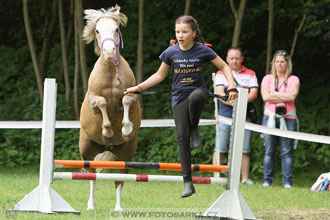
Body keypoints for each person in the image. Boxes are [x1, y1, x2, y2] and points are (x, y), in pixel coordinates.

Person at [124, 15, 238, 198]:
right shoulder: (171, 53)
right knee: (182, 138)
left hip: (198, 92)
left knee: (196, 97)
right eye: (178, 32)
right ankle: (187, 182)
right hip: (178, 98)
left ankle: (194, 124)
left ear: (194, 33)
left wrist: (231, 86)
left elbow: (224, 67)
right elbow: (159, 76)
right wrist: (137, 88)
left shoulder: (203, 51)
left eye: (184, 32)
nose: (180, 35)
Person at [212, 47, 258, 185]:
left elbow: (254, 93)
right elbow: (219, 92)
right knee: (220, 147)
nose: (234, 61)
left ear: (242, 59)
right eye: (231, 58)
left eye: (237, 58)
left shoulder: (250, 73)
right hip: (225, 115)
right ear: (226, 59)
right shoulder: (221, 73)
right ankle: (217, 177)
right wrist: (232, 103)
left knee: (244, 148)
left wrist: (241, 103)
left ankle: (244, 178)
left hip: (244, 116)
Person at [260, 50, 300, 188]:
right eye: (277, 61)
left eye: (282, 61)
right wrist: (284, 96)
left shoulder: (293, 79)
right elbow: (265, 97)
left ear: (287, 63)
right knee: (269, 150)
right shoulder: (267, 78)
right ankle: (267, 180)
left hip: (288, 117)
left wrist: (275, 94)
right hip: (270, 116)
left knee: (287, 152)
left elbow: (292, 97)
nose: (279, 64)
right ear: (273, 63)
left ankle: (287, 182)